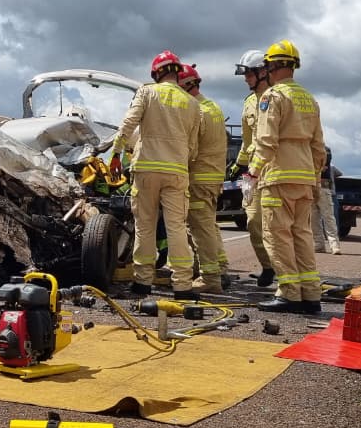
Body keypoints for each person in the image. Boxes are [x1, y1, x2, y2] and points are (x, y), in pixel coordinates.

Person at [245, 40, 326, 314]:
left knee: (277, 236)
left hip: (277, 177)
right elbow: (318, 146)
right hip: (303, 177)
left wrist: (252, 173)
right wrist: (314, 177)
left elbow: (266, 141)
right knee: (301, 234)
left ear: (273, 66)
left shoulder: (273, 97)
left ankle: (289, 294)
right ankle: (311, 295)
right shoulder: (309, 99)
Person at [115, 50, 201, 299]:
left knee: (145, 226)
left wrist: (116, 155)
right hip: (176, 171)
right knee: (176, 227)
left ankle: (142, 282)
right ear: (176, 72)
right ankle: (183, 285)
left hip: (147, 169)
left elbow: (128, 124)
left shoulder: (147, 92)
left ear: (157, 73)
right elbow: (193, 147)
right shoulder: (192, 103)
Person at [177, 63, 228, 295]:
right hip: (212, 177)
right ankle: (219, 268)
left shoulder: (196, 111)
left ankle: (210, 278)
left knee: (200, 228)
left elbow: (191, 149)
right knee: (208, 225)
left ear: (187, 85)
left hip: (199, 177)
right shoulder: (212, 107)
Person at [226, 49, 275, 288]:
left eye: (248, 74)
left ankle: (284, 271)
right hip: (251, 172)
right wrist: (236, 166)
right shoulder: (248, 104)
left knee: (277, 225)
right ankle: (268, 267)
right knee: (253, 219)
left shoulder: (277, 98)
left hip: (274, 169)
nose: (245, 79)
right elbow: (247, 142)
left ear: (263, 71)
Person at [311, 146, 342, 254]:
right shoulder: (314, 147)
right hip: (313, 187)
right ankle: (320, 245)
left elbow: (325, 160)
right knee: (314, 220)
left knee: (327, 217)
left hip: (321, 186)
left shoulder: (323, 149)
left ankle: (334, 245)